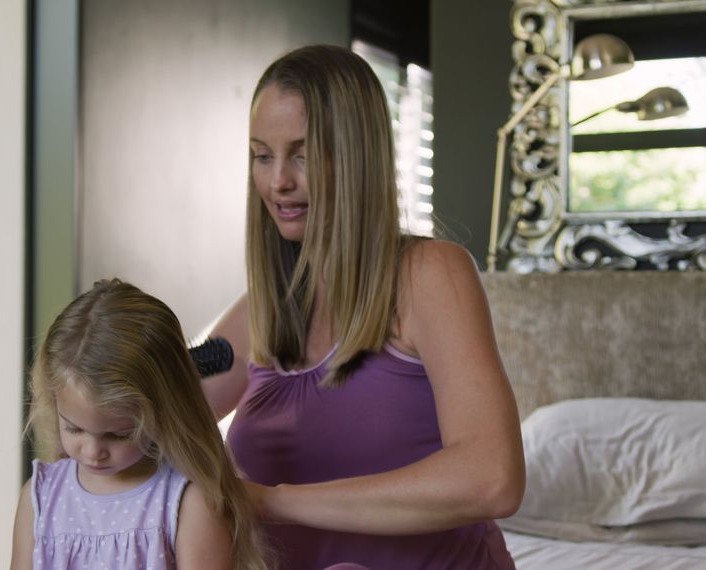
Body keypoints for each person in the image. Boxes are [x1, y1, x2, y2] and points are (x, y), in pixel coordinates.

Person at [202, 44, 525, 569]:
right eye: (263, 155)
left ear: (355, 156)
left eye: (302, 155)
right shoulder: (261, 312)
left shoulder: (431, 276)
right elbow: (152, 415)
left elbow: (494, 479)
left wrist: (273, 500)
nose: (278, 180)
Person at [10, 279, 269, 570]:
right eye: (74, 428)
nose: (94, 451)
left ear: (164, 413)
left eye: (119, 434)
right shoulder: (41, 498)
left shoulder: (186, 502)